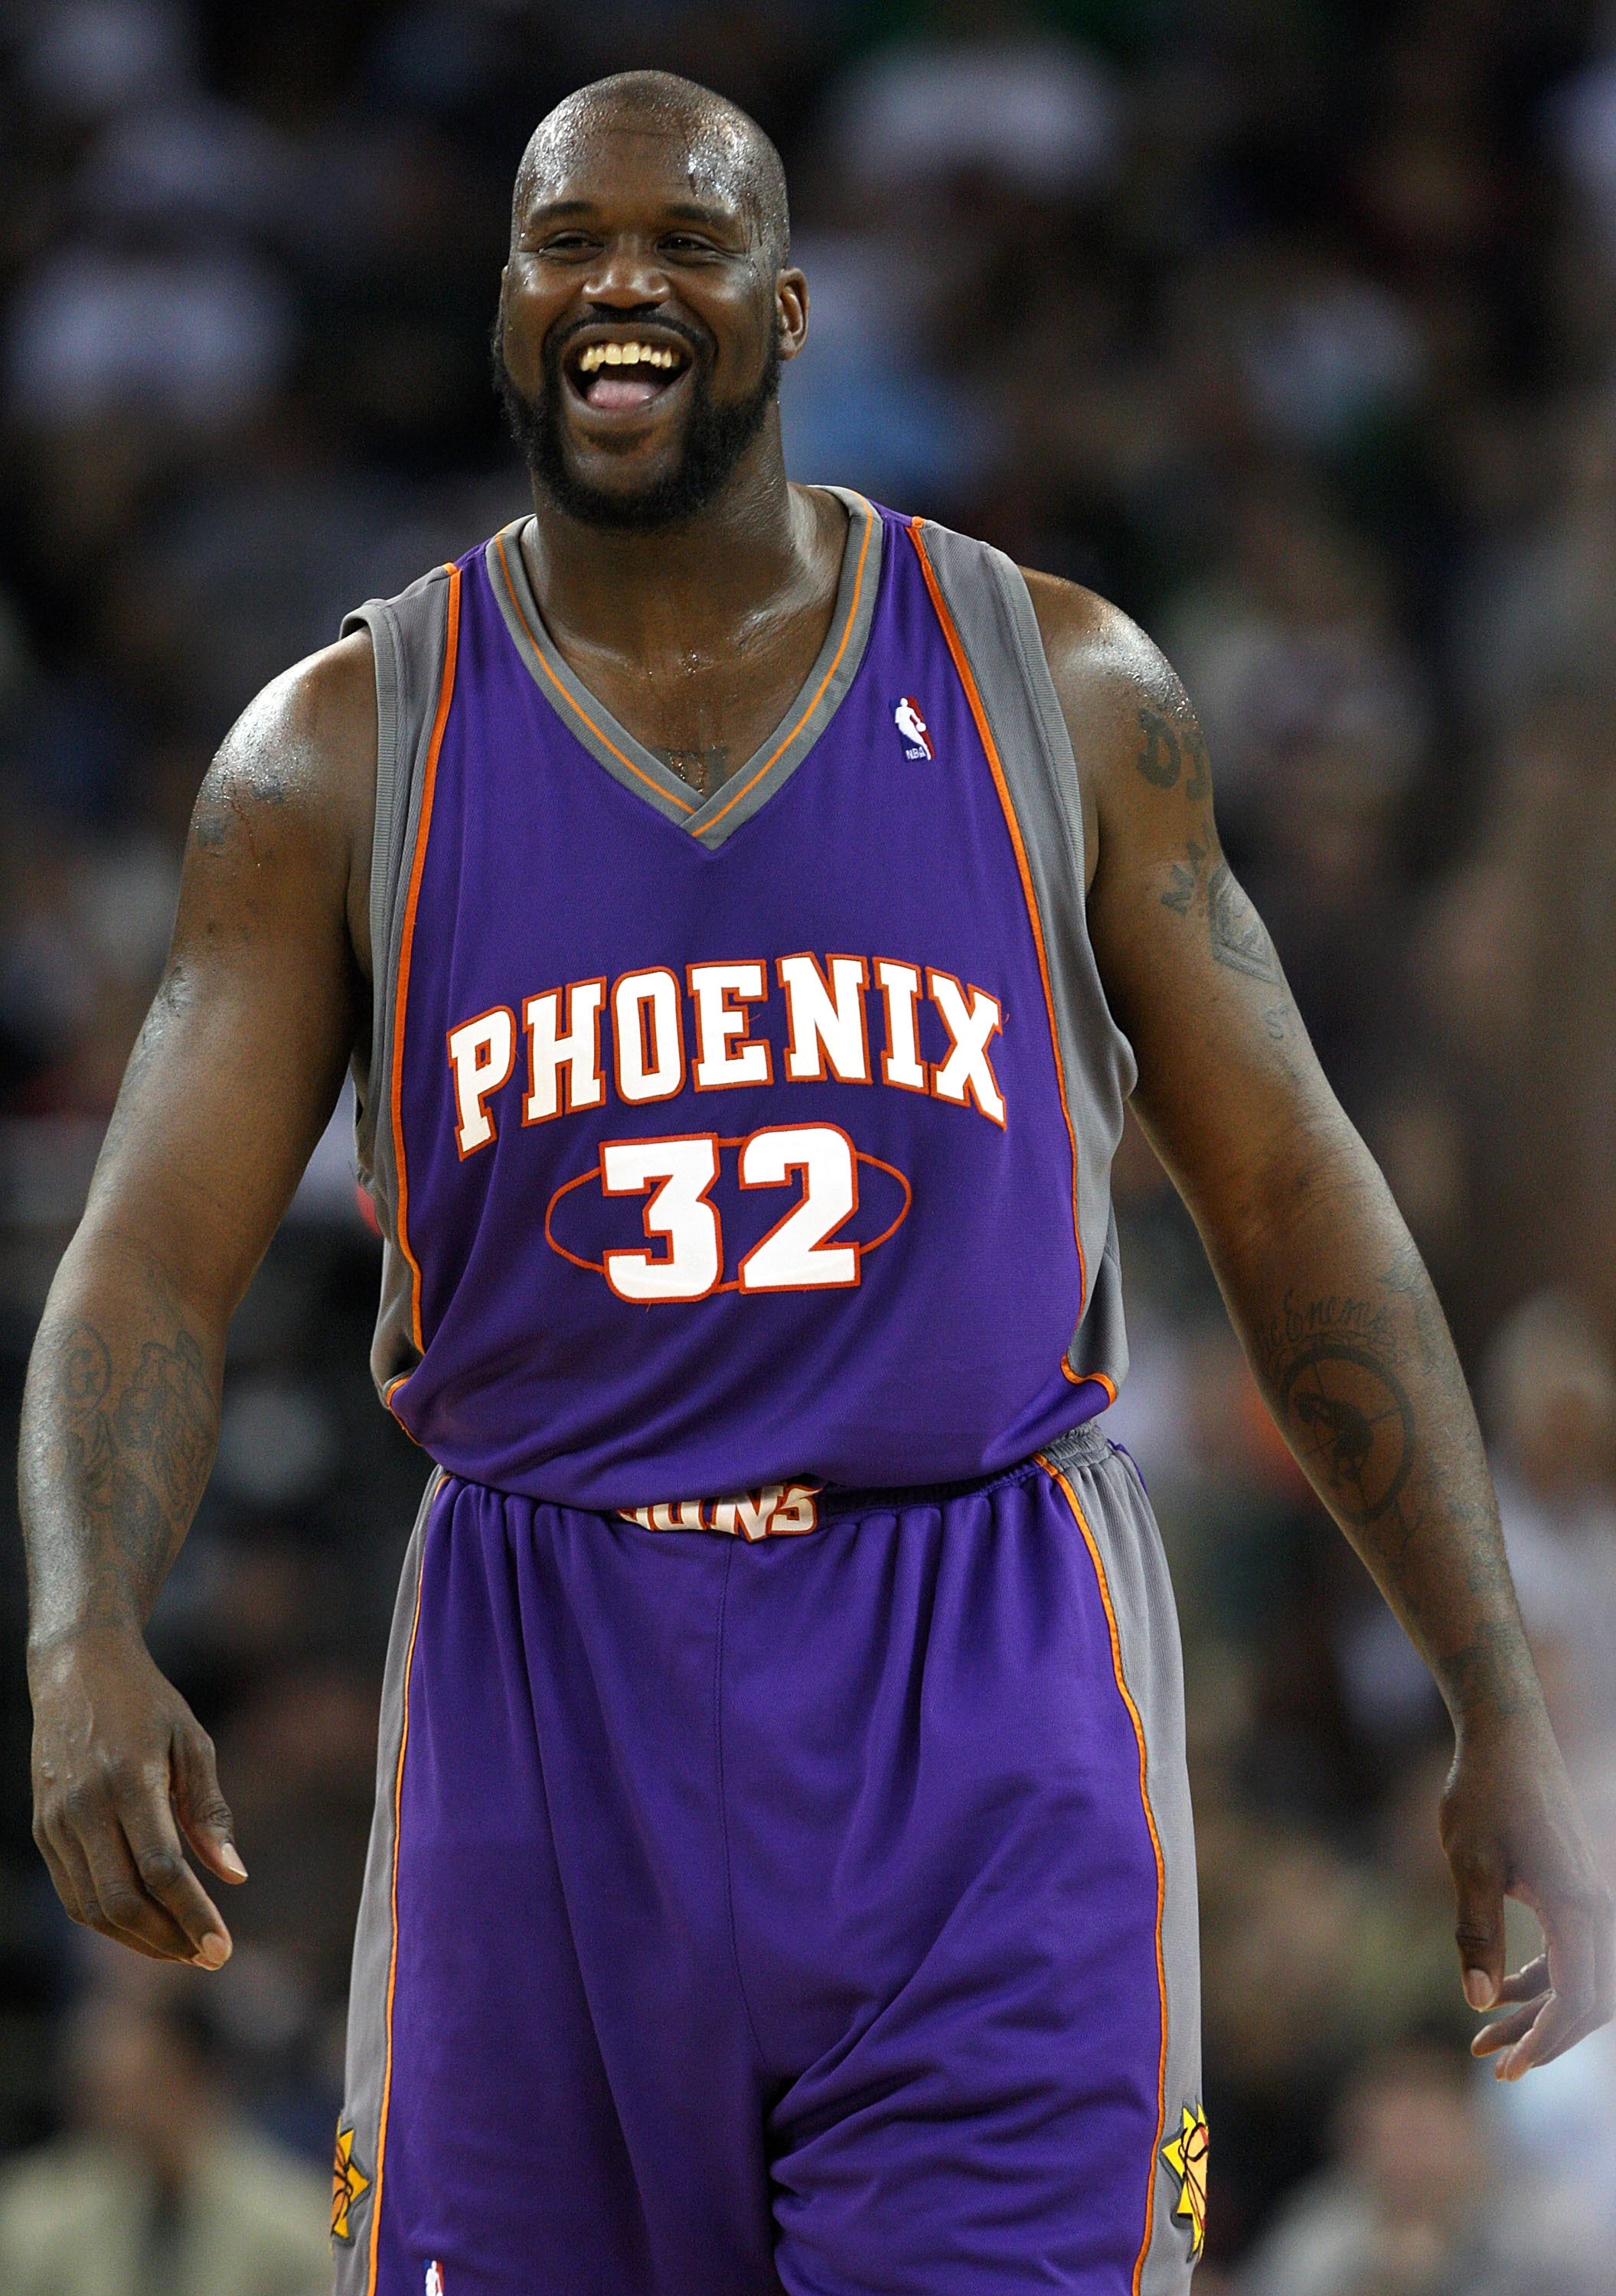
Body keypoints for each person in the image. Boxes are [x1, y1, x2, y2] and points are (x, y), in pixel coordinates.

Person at [18, 70, 1612, 2296]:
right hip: (538, 1672)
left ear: (783, 307)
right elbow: (149, 1270)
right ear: (502, 305)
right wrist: (84, 1624)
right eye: (567, 241)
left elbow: (1293, 1199)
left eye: (681, 241)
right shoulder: (339, 750)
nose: (620, 286)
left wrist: (1491, 1692)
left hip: (973, 1665)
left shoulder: (1055, 687)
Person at [0, 1979, 331, 2296]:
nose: (117, 2112)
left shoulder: (294, 2225)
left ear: (192, 2075)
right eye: (100, 2093)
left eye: (137, 2088)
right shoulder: (34, 2217)